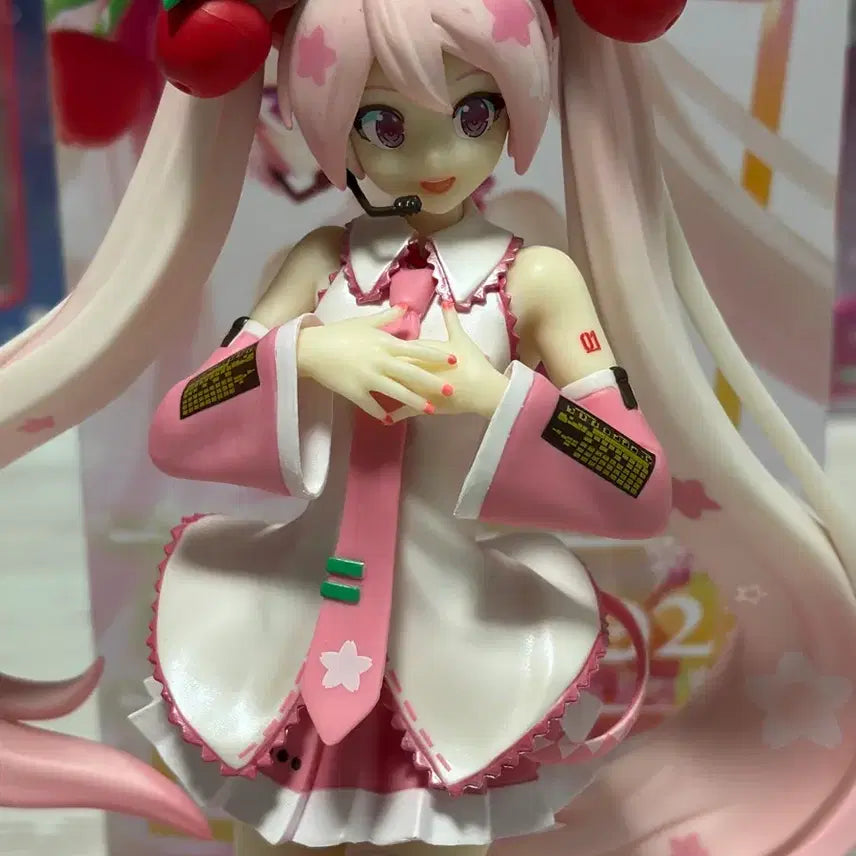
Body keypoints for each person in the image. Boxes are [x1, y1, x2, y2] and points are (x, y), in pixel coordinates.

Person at [1, 2, 855, 855]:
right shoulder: (320, 265)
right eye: (384, 124)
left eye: (475, 112)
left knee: (439, 836)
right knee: (275, 834)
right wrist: (301, 354)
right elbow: (180, 422)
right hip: (299, 616)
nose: (438, 157)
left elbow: (634, 477)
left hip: (455, 631)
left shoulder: (536, 280)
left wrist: (501, 396)